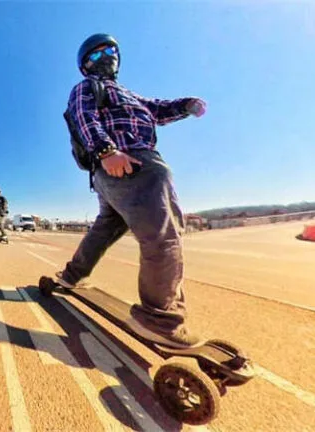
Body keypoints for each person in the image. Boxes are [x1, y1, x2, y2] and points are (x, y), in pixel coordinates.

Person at [60, 33, 207, 348]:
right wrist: (106, 152)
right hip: (126, 162)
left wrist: (187, 105)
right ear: (85, 65)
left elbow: (160, 109)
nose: (106, 57)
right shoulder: (87, 87)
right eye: (96, 55)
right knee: (163, 231)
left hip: (116, 171)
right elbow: (84, 119)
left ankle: (72, 275)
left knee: (105, 227)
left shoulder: (130, 95)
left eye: (110, 50)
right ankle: (159, 317)